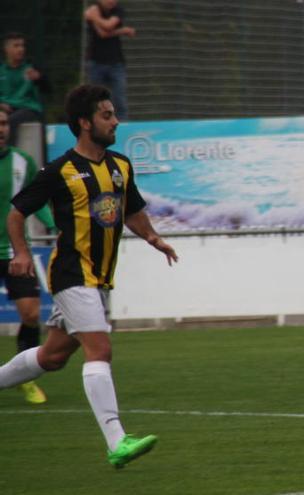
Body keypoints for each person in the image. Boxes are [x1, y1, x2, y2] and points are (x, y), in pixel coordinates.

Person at [0, 84, 178, 468]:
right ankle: (117, 440)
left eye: (113, 114)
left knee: (53, 356)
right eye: (107, 115)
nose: (115, 121)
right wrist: (22, 252)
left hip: (98, 279)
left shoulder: (120, 165)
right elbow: (16, 213)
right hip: (70, 274)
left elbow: (130, 209)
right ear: (85, 123)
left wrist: (152, 237)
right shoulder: (60, 170)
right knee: (101, 350)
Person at [0, 107, 56, 404]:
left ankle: (26, 380)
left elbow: (39, 201)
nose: (1, 128)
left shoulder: (24, 162)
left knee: (32, 314)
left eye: (4, 123)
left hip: (15, 251)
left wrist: (54, 225)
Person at [84, 0, 136, 120]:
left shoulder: (118, 10)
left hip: (116, 63)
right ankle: (96, 124)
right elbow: (102, 33)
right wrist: (123, 30)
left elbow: (109, 26)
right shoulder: (94, 10)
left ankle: (123, 126)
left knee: (119, 100)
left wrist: (94, 17)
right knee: (95, 99)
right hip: (96, 62)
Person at [0, 32, 50, 147]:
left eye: (22, 46)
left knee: (11, 121)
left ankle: (9, 154)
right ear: (6, 49)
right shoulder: (1, 70)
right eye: (16, 46)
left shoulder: (31, 68)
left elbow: (48, 89)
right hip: (5, 108)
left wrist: (39, 78)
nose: (21, 49)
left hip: (28, 109)